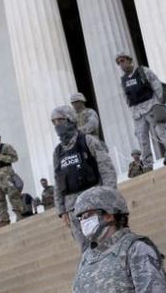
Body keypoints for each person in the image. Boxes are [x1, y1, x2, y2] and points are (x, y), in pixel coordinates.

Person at [51, 105, 118, 251]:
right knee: (86, 250)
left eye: (60, 120)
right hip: (72, 208)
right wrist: (61, 211)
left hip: (94, 201)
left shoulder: (87, 141)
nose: (57, 125)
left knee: (105, 242)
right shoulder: (58, 152)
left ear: (70, 120)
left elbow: (106, 169)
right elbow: (58, 182)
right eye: (54, 122)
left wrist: (108, 196)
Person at [115, 52, 166, 168]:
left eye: (123, 60)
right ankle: (147, 165)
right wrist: (132, 110)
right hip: (137, 112)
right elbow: (126, 97)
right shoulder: (123, 80)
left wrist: (159, 103)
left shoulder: (143, 71)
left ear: (129, 60)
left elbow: (157, 85)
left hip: (151, 105)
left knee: (161, 132)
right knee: (142, 139)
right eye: (119, 63)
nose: (121, 64)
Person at [0, 129, 27, 224]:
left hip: (7, 176)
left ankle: (20, 215)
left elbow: (14, 158)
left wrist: (0, 156)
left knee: (14, 195)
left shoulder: (6, 147)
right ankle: (4, 219)